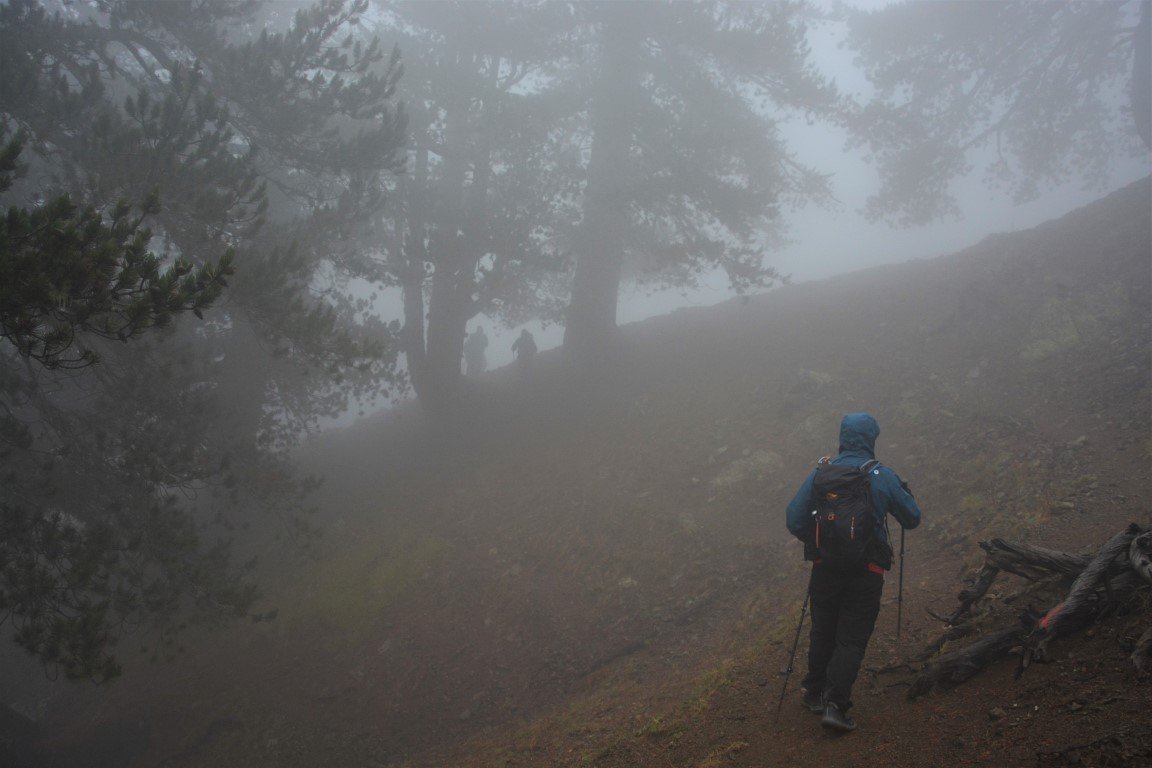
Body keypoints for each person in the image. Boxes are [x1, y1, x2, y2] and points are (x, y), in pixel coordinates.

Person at [785, 412, 921, 733]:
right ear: (872, 439)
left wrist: (819, 543)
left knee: (823, 630)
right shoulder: (881, 475)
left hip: (825, 569)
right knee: (851, 638)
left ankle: (814, 693)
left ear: (842, 436)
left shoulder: (822, 472)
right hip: (867, 570)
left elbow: (794, 518)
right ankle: (835, 705)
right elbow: (912, 518)